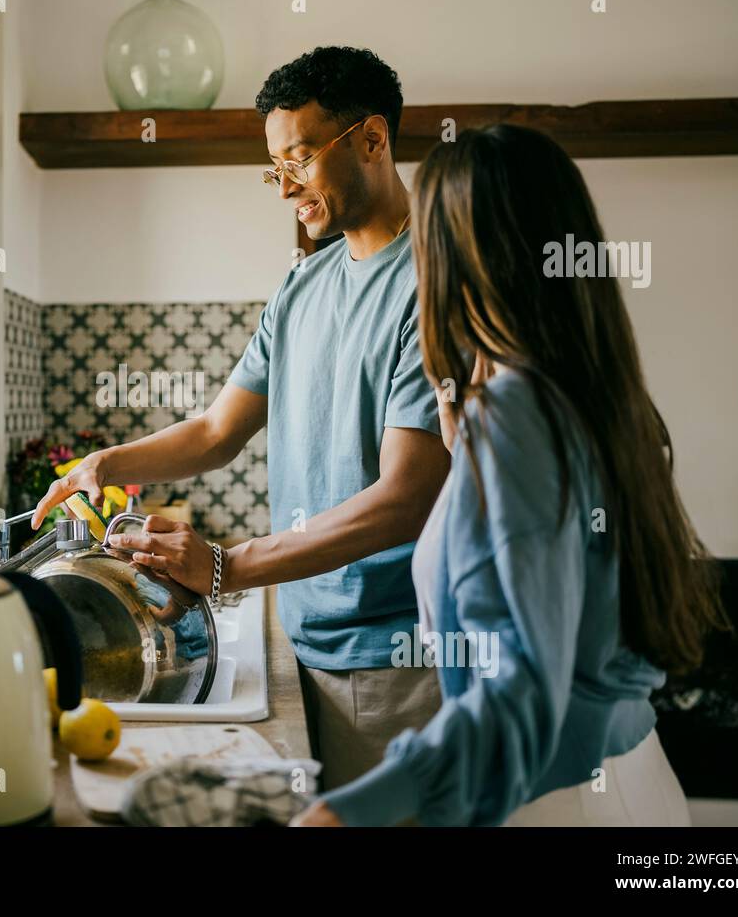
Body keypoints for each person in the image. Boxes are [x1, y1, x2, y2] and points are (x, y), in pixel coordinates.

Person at [31, 47, 451, 787]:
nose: (285, 186)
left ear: (373, 139)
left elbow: (406, 499)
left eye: (300, 158)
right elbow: (217, 431)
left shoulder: (436, 286)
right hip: (305, 641)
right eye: (274, 166)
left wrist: (228, 566)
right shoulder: (303, 286)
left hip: (396, 664)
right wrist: (106, 464)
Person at [291, 124, 728, 826]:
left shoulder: (518, 413)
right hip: (628, 779)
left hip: (557, 799)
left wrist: (344, 814)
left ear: (466, 254)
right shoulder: (584, 394)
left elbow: (518, 690)